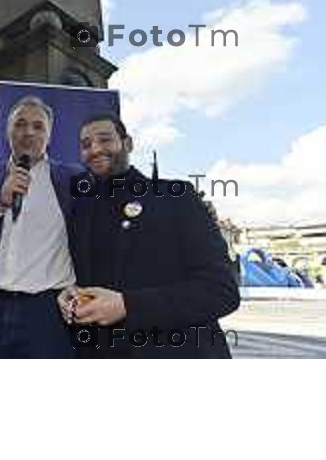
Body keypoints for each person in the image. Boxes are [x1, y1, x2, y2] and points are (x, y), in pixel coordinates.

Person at [58, 114, 241, 358]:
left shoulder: (175, 198)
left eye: (105, 139)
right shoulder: (79, 214)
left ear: (128, 143)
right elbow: (84, 280)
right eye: (86, 144)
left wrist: (128, 306)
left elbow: (221, 291)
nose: (95, 149)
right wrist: (70, 294)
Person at [0, 96, 78, 358]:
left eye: (38, 126)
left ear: (49, 136)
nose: (28, 132)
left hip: (47, 315)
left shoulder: (71, 179)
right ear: (8, 132)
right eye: (20, 124)